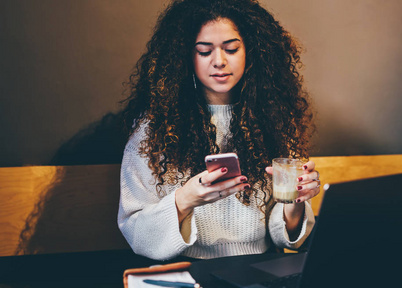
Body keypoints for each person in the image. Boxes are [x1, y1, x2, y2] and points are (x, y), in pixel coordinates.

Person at [118, 0, 320, 261]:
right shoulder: (153, 130)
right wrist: (185, 199)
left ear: (251, 52)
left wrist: (296, 202)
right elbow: (136, 233)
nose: (219, 61)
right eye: (204, 51)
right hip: (187, 270)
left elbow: (289, 238)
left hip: (262, 265)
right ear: (185, 57)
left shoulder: (273, 121)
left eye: (232, 49)